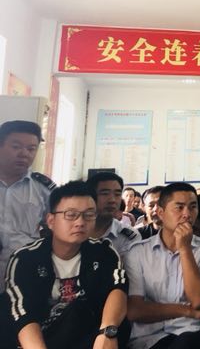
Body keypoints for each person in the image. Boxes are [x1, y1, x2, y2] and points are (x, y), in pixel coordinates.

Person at [0, 180, 129, 349]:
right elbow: (22, 312)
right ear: (51, 220)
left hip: (87, 339)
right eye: (71, 214)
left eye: (89, 214)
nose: (80, 222)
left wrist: (108, 332)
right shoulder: (25, 258)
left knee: (88, 313)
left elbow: (117, 289)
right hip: (38, 338)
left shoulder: (103, 252)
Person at [126, 182, 200, 349]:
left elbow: (199, 301)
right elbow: (135, 310)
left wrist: (184, 248)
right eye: (179, 207)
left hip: (193, 333)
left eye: (193, 207)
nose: (187, 214)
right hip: (148, 339)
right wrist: (187, 311)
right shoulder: (138, 251)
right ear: (161, 213)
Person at [0, 120, 54, 292]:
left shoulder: (43, 189)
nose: (24, 154)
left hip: (24, 273)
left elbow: (58, 227)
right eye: (16, 147)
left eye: (31, 149)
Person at [87, 171, 142, 261]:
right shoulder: (72, 229)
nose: (112, 200)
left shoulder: (128, 237)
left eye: (117, 194)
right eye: (105, 193)